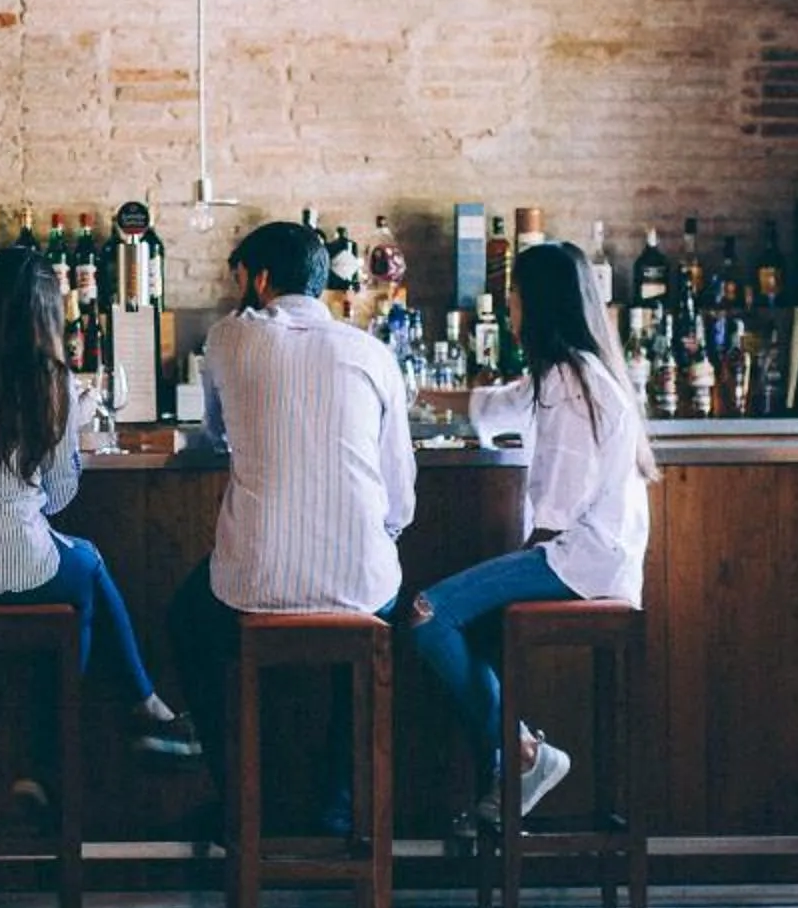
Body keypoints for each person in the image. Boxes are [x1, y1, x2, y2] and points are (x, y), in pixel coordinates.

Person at [167, 219, 417, 827]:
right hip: (365, 582)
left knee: (188, 622)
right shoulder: (373, 352)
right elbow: (401, 497)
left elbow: (215, 435)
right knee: (364, 634)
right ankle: (338, 806)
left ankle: (237, 802)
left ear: (258, 280)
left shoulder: (228, 339)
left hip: (254, 582)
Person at [0, 244, 197, 759]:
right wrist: (71, 425)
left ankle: (139, 711)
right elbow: (59, 497)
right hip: (16, 565)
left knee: (81, 566)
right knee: (85, 574)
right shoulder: (49, 380)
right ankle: (62, 750)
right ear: (46, 313)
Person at [409, 236, 656, 820]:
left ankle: (522, 751)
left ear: (535, 304)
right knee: (475, 635)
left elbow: (558, 515)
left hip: (580, 561)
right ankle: (506, 771)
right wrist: (413, 394)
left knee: (427, 614)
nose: (510, 308)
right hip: (586, 558)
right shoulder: (566, 373)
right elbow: (491, 405)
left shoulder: (572, 384)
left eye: (514, 296)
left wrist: (507, 574)